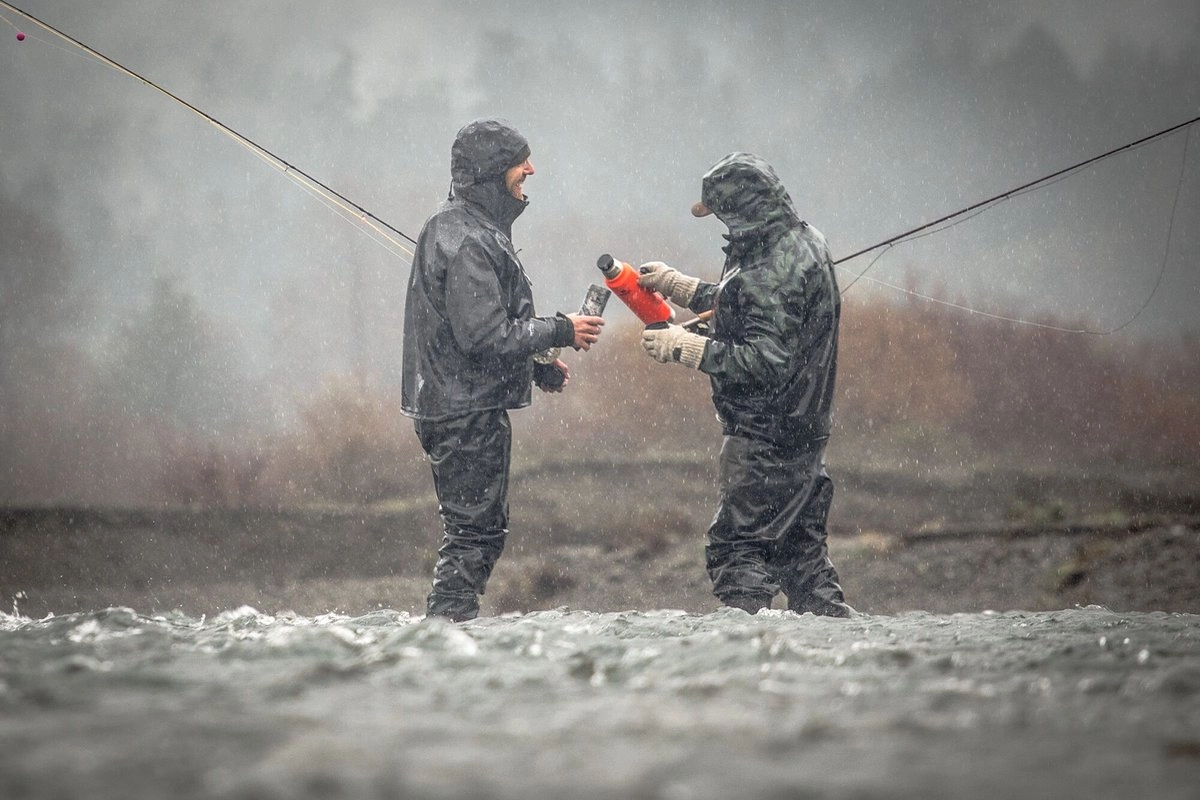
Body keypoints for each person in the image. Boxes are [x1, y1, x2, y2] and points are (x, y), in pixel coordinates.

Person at [401, 118, 604, 621]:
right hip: (463, 412)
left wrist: (535, 368)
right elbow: (484, 336)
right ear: (492, 170)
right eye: (520, 161)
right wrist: (560, 330)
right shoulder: (468, 238)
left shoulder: (466, 228)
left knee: (478, 531)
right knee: (474, 535)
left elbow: (473, 335)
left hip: (458, 405)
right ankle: (445, 632)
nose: (530, 169)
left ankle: (447, 630)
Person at [636, 152, 851, 617]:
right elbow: (755, 302)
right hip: (804, 434)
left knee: (737, 552)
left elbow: (766, 360)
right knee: (803, 562)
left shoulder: (769, 264)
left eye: (723, 216)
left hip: (764, 441)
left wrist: (686, 348)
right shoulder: (804, 242)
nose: (724, 228)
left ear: (743, 211)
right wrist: (682, 287)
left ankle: (745, 654)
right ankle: (839, 646)